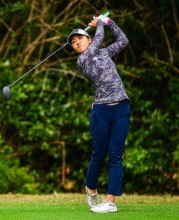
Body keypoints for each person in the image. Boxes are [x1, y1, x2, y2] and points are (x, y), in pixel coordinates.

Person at [67, 15, 130, 213]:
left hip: (121, 107)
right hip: (101, 111)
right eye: (73, 43)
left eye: (79, 39)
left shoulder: (103, 53)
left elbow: (123, 41)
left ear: (87, 37)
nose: (76, 44)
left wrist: (110, 23)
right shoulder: (82, 60)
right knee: (98, 154)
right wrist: (101, 22)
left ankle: (110, 202)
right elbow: (99, 38)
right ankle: (91, 187)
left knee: (115, 156)